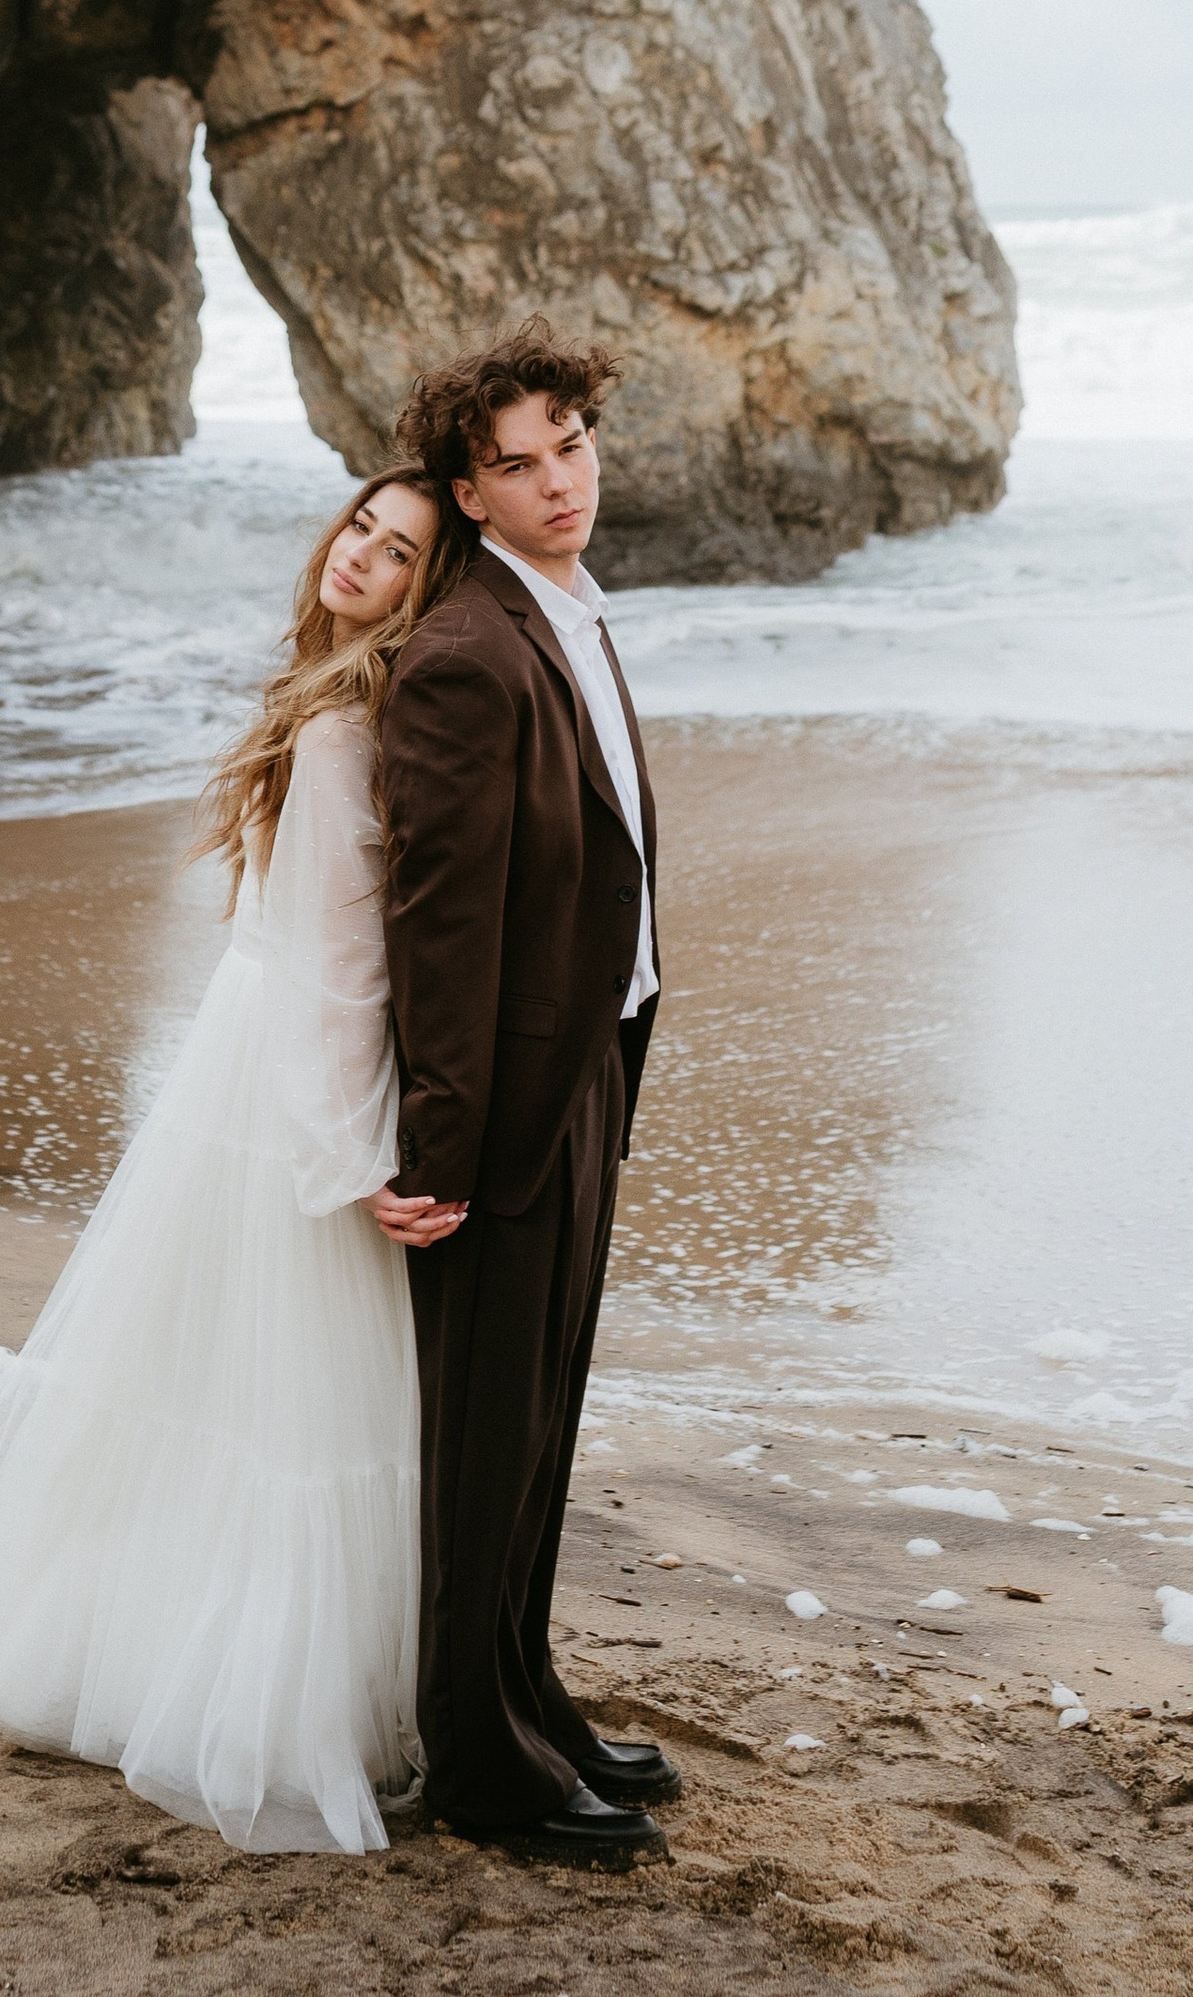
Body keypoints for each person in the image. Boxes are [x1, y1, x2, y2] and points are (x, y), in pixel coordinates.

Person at [0, 467, 464, 1851]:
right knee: (242, 1378)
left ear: (430, 590)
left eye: (401, 550)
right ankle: (180, 1666)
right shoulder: (332, 697)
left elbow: (341, 971)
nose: (361, 552)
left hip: (279, 1066)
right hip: (250, 1058)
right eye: (359, 524)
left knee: (239, 1381)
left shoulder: (351, 721)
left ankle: (174, 1668)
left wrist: (350, 1149)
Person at [377, 322, 680, 1861]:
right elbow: (441, 928)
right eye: (519, 464)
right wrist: (441, 1149)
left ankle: (526, 1700)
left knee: (542, 1423)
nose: (560, 480)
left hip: (585, 1071)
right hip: (495, 1117)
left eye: (571, 444)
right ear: (468, 492)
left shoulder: (568, 608)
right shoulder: (463, 656)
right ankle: (478, 1767)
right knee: (482, 1440)